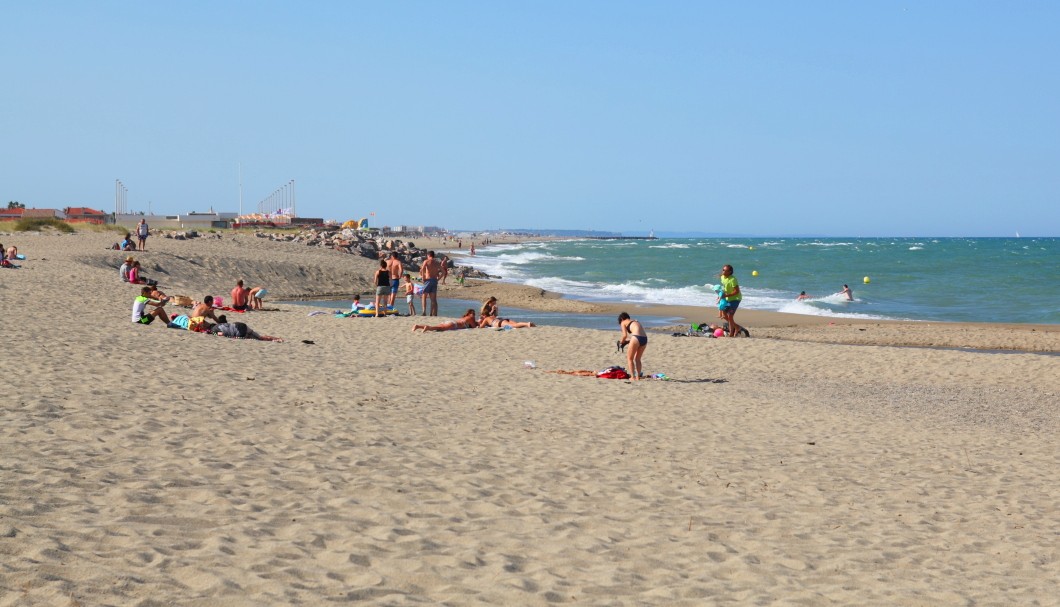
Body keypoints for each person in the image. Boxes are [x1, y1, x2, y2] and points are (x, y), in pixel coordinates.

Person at [617, 312, 647, 380]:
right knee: (638, 359)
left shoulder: (623, 322)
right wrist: (627, 342)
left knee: (630, 358)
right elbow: (637, 336)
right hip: (644, 339)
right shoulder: (635, 321)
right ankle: (638, 376)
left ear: (621, 319)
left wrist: (621, 342)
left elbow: (625, 335)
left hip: (636, 338)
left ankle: (633, 377)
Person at [211, 315, 283, 341]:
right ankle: (276, 338)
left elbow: (222, 334)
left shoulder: (215, 329)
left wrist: (214, 333)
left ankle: (275, 339)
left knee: (258, 339)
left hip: (239, 332)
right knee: (260, 337)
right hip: (240, 325)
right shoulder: (226, 324)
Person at [719, 264, 744, 338]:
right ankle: (737, 327)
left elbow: (736, 291)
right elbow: (724, 287)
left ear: (730, 272)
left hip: (735, 299)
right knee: (724, 315)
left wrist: (726, 295)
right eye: (723, 270)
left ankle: (731, 334)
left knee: (730, 316)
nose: (723, 271)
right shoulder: (722, 277)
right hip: (727, 298)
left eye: (725, 270)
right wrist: (721, 295)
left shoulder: (733, 279)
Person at [419, 250, 442, 316]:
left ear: (428, 255)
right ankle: (431, 313)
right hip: (434, 280)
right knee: (433, 299)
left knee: (424, 296)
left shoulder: (426, 261)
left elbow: (422, 269)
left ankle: (424, 311)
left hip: (428, 280)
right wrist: (438, 279)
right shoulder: (437, 262)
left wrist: (423, 278)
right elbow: (443, 272)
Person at [412, 309, 477, 332]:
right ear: (471, 314)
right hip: (454, 324)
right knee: (438, 328)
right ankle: (427, 328)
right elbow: (474, 326)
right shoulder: (470, 318)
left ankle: (418, 326)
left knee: (437, 327)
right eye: (473, 314)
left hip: (451, 322)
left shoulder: (464, 317)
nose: (474, 316)